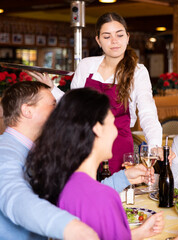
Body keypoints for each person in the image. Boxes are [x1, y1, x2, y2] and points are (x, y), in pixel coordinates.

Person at [25, 88, 178, 240]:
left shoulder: (65, 182)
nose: (116, 133)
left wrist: (137, 234)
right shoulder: (103, 199)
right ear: (97, 129)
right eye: (113, 124)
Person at [0, 81, 152, 240]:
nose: (60, 111)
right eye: (53, 104)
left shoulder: (36, 150)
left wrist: (124, 177)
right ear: (27, 110)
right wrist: (70, 227)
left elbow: (79, 195)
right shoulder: (4, 151)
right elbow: (15, 197)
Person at [30, 12, 162, 174]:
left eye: (119, 35)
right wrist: (52, 89)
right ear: (98, 40)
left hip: (118, 146)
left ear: (127, 37)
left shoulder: (138, 71)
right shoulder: (86, 65)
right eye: (107, 36)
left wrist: (155, 146)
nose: (114, 41)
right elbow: (74, 106)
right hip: (84, 143)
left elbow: (148, 113)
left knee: (115, 192)